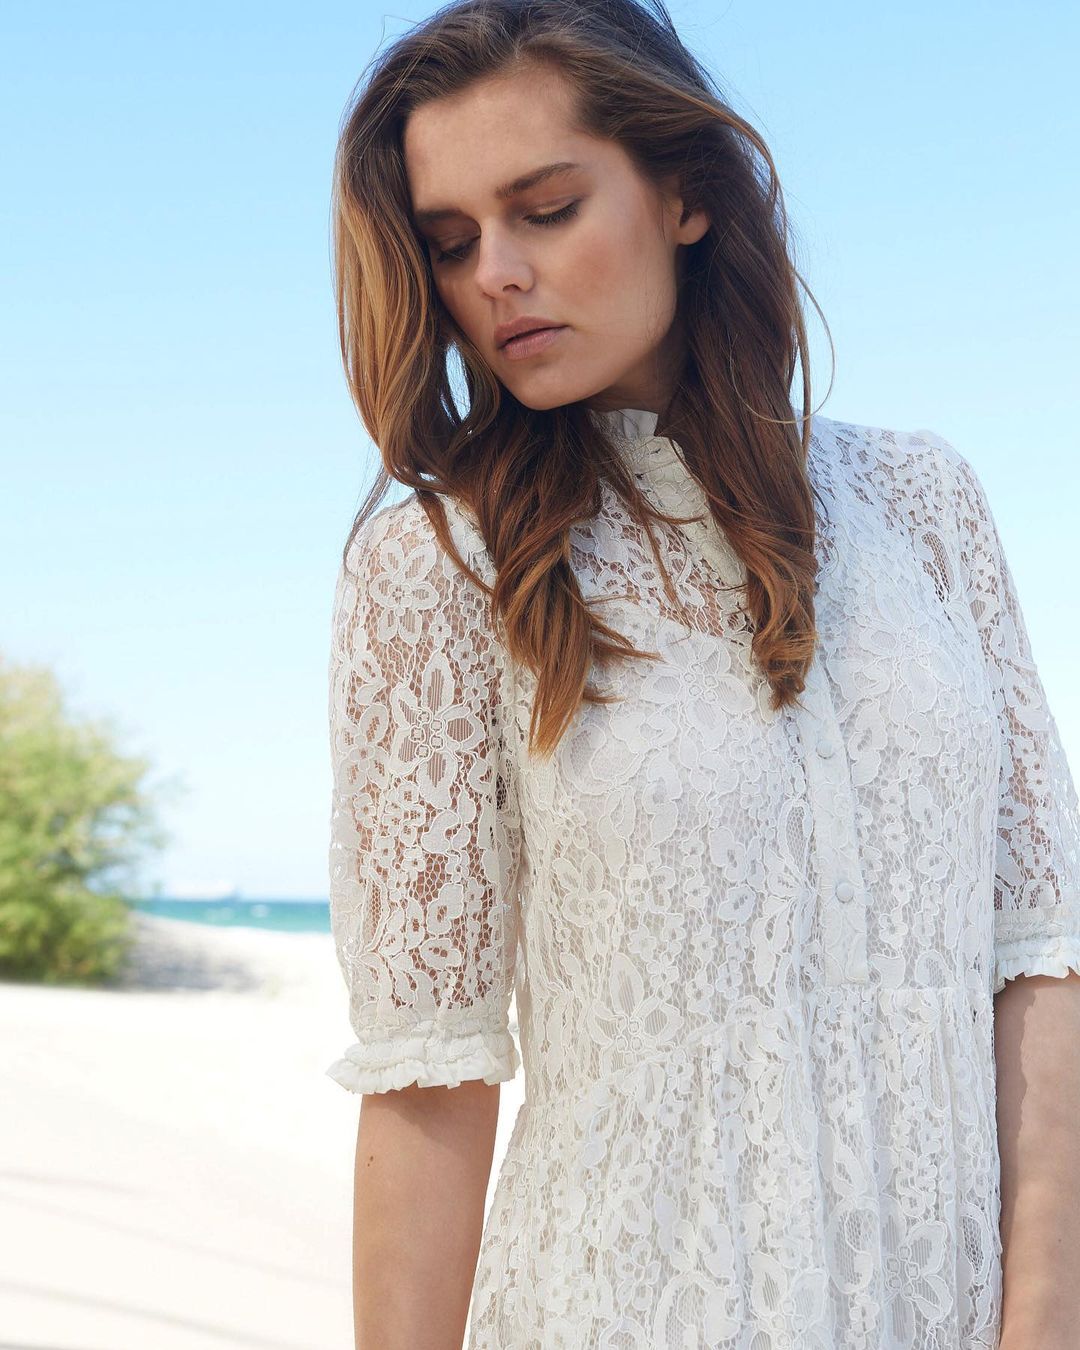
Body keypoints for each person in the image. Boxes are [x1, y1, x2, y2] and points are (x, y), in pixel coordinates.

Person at [323, 2, 1080, 1347]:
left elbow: (1041, 957)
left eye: (546, 209)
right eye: (451, 242)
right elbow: (430, 1075)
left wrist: (1046, 1317)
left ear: (685, 194)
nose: (497, 272)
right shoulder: (438, 568)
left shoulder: (923, 504)